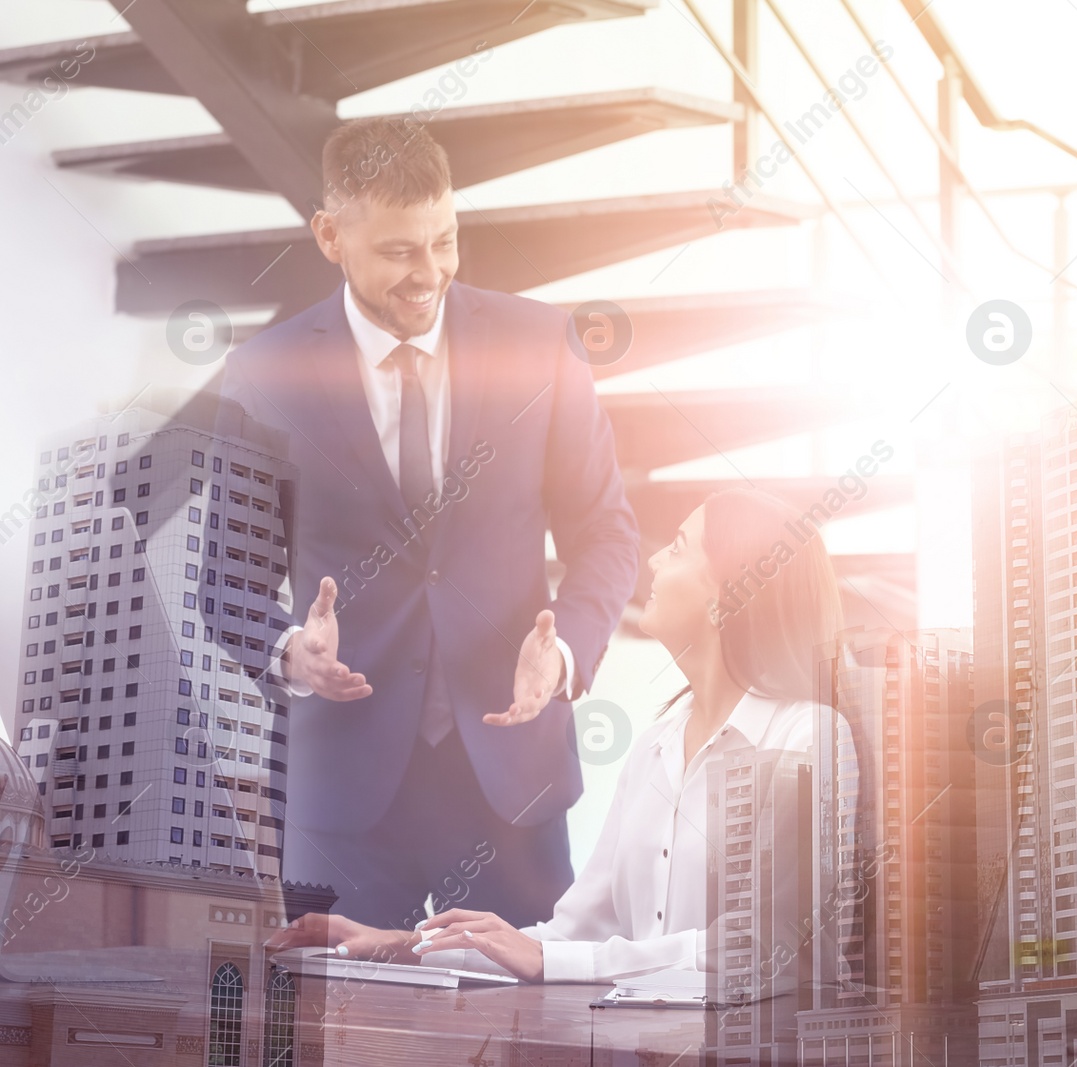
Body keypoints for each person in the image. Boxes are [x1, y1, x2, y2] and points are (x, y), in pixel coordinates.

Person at [221, 116, 639, 929]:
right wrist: (290, 654)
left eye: (445, 241)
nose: (432, 273)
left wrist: (565, 656)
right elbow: (222, 580)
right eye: (400, 251)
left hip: (510, 786)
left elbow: (606, 533)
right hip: (340, 794)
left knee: (521, 1040)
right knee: (332, 1040)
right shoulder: (263, 376)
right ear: (330, 235)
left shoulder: (540, 345)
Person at [268, 487, 845, 983]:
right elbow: (570, 938)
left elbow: (774, 951)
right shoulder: (656, 748)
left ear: (729, 593)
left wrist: (555, 960)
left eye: (678, 547)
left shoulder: (808, 737)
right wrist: (393, 944)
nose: (653, 562)